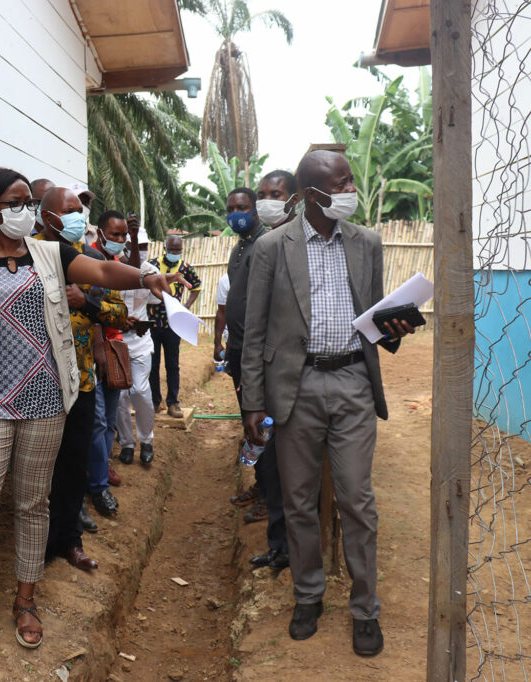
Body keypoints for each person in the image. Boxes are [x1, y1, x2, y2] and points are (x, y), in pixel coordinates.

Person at [0, 169, 186, 648]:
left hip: (46, 401)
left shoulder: (51, 254)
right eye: (16, 202)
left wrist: (149, 275)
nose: (27, 209)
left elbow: (105, 272)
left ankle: (25, 600)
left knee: (31, 503)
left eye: (30, 200)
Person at [240, 151, 414, 657]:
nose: (350, 191)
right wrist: (253, 403)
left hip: (354, 384)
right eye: (341, 184)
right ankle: (309, 595)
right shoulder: (274, 248)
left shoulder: (367, 243)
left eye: (350, 182)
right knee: (298, 502)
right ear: (313, 194)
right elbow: (254, 334)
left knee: (357, 500)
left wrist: (395, 329)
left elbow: (379, 324)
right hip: (296, 387)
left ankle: (365, 609)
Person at [37, 189, 128, 569]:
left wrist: (86, 302)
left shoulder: (90, 261)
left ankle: (69, 542)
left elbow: (119, 314)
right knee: (39, 472)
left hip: (81, 382)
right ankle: (37, 547)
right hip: (37, 384)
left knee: (74, 466)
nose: (79, 217)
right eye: (70, 211)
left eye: (80, 211)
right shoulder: (25, 257)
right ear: (46, 217)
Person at [217, 184, 289, 572]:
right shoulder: (239, 245)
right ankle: (262, 487)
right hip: (241, 353)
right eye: (231, 208)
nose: (237, 213)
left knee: (262, 427)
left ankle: (267, 494)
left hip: (259, 358)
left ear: (256, 210)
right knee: (251, 426)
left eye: (243, 207)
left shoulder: (267, 243)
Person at [86, 211, 132, 516]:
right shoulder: (88, 261)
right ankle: (98, 487)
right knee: (98, 420)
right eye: (114, 234)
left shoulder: (115, 265)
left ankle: (100, 471)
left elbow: (114, 309)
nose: (119, 240)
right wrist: (100, 346)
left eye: (123, 235)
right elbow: (91, 311)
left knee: (109, 419)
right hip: (93, 353)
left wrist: (126, 321)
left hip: (115, 348)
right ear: (100, 233)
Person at [147, 234, 202, 419]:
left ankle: (173, 403)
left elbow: (196, 286)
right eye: (172, 250)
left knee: (172, 364)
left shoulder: (185, 268)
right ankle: (155, 401)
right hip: (152, 322)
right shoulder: (152, 265)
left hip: (173, 324)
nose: (175, 253)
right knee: (153, 365)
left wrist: (186, 307)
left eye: (178, 250)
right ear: (165, 248)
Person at [116, 237, 160, 466]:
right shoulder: (113, 267)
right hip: (116, 341)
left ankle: (146, 440)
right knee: (121, 395)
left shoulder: (151, 271)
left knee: (140, 390)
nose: (139, 250)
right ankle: (127, 443)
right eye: (135, 245)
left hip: (141, 341)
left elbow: (156, 300)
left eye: (143, 246)